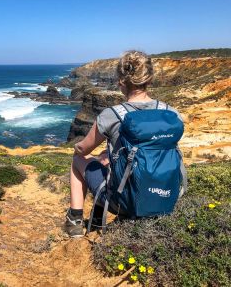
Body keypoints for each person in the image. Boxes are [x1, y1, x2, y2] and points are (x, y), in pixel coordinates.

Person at [65, 50, 184, 238]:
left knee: (79, 160)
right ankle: (96, 219)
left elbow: (84, 148)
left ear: (121, 81)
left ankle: (74, 222)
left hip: (123, 202)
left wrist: (77, 148)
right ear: (150, 79)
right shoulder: (172, 114)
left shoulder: (112, 115)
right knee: (106, 161)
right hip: (167, 197)